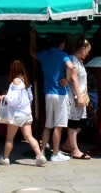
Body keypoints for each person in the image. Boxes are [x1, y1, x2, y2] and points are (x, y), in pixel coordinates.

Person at [0, 60, 46, 167]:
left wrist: (3, 97)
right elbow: (30, 98)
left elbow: (13, 100)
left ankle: (5, 158)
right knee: (29, 137)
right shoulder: (26, 81)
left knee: (9, 138)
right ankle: (40, 156)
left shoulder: (15, 81)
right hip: (27, 113)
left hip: (17, 114)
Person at [32, 35, 73, 163]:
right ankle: (55, 153)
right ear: (62, 44)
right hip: (60, 93)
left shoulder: (45, 54)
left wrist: (32, 38)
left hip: (48, 93)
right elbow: (71, 66)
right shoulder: (63, 54)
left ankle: (42, 152)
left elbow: (32, 53)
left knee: (48, 125)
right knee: (58, 125)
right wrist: (66, 79)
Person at [62, 37, 91, 160]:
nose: (88, 53)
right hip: (74, 95)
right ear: (83, 48)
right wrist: (79, 96)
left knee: (81, 121)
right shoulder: (73, 60)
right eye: (88, 50)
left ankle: (68, 145)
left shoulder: (79, 61)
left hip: (81, 95)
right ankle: (75, 150)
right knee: (74, 122)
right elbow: (73, 79)